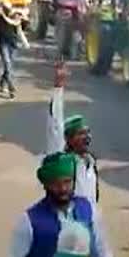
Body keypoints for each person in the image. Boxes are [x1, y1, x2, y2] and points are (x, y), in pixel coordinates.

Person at [6, 152, 128, 257]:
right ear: (46, 185)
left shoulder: (88, 209)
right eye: (56, 184)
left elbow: (101, 248)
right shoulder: (29, 221)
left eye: (67, 182)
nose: (63, 189)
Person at [47, 63, 100, 204]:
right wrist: (58, 87)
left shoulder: (90, 161)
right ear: (69, 139)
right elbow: (55, 125)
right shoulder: (63, 160)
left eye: (87, 133)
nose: (86, 137)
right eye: (80, 134)